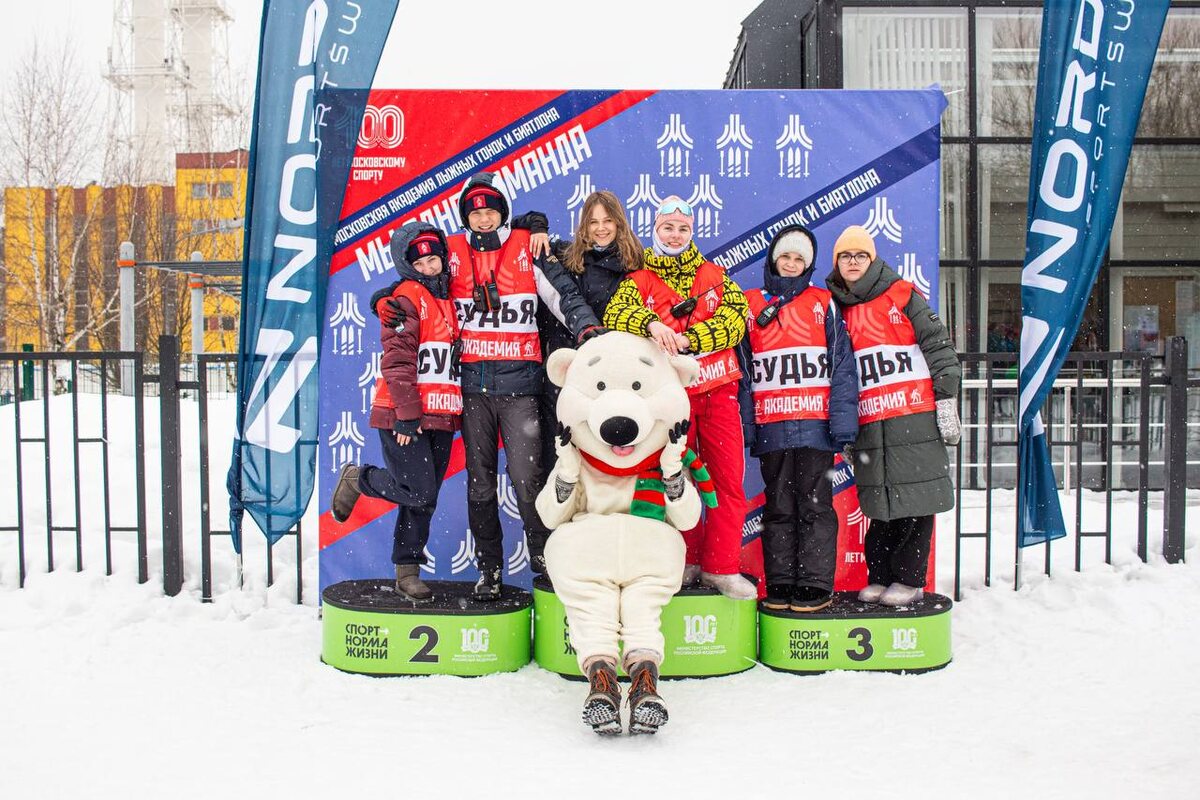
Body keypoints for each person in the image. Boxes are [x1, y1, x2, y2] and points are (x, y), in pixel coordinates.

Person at [448, 171, 603, 600]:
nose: (483, 219)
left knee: (528, 477)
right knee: (479, 482)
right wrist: (389, 298)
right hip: (473, 391)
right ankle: (490, 568)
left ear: (503, 213)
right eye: (475, 212)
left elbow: (565, 295)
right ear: (466, 217)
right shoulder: (452, 253)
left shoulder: (528, 247)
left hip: (520, 388)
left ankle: (543, 555)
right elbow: (417, 278)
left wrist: (587, 329)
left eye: (491, 210)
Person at [603, 196, 756, 600]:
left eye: (682, 228)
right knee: (674, 480)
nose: (675, 234)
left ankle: (722, 568)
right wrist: (651, 324)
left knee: (726, 483)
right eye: (668, 227)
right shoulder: (638, 277)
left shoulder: (716, 275)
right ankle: (684, 561)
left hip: (719, 392)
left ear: (692, 232)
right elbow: (615, 314)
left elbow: (736, 320)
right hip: (670, 401)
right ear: (656, 230)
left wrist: (693, 339)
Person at [826, 225, 961, 607]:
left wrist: (946, 398)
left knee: (915, 504)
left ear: (873, 260)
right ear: (837, 263)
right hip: (870, 419)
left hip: (912, 415)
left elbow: (937, 344)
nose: (853, 263)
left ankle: (909, 579)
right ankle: (881, 576)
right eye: (845, 257)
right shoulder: (836, 307)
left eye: (860, 256)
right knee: (878, 506)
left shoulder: (901, 293)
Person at [329, 222, 461, 602]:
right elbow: (398, 361)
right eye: (419, 263)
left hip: (441, 413)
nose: (429, 267)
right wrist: (407, 414)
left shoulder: (447, 300)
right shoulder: (404, 299)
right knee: (416, 490)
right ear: (407, 266)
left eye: (434, 259)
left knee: (425, 497)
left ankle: (407, 571)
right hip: (404, 414)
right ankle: (358, 479)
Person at [739, 224, 858, 612]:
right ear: (774, 259)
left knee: (814, 504)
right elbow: (741, 369)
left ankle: (813, 583)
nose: (790, 264)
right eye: (785, 257)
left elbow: (842, 365)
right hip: (772, 424)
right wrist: (746, 426)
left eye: (799, 259)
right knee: (778, 507)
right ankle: (781, 581)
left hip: (815, 426)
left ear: (807, 265)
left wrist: (842, 424)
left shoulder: (823, 303)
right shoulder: (750, 304)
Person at [536, 190, 641, 488]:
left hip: (615, 381)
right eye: (593, 222)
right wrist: (537, 226)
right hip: (568, 376)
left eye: (608, 220)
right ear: (583, 225)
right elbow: (521, 232)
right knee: (562, 462)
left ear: (620, 222)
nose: (601, 228)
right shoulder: (566, 258)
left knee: (609, 461)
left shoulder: (637, 263)